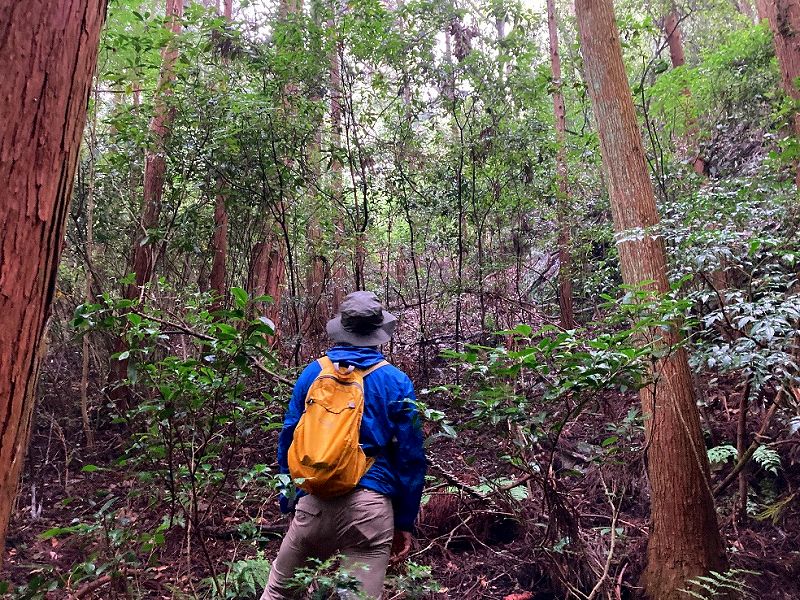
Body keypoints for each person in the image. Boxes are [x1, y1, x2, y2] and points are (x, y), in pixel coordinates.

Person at [261, 291, 427, 599]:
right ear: (379, 333)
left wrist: (290, 501)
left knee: (279, 594)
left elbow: (288, 439)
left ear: (342, 329)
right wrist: (404, 521)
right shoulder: (396, 381)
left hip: (313, 502)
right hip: (370, 509)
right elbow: (411, 457)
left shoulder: (313, 373)